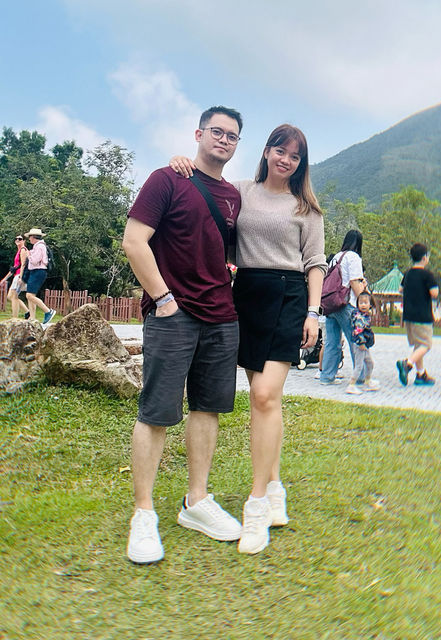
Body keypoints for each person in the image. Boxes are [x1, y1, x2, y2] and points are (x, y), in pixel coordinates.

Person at [170, 123, 326, 555]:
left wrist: (313, 312)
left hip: (289, 297)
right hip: (246, 295)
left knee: (263, 395)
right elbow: (207, 195)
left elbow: (315, 263)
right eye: (280, 150)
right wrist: (180, 164)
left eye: (295, 156)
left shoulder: (307, 207)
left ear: (300, 163)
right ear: (267, 151)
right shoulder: (240, 192)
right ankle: (275, 486)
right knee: (263, 398)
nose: (286, 160)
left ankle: (257, 506)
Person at [122, 106, 244, 564]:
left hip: (221, 316)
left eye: (233, 136)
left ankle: (196, 502)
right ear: (198, 133)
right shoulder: (166, 179)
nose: (224, 140)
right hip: (174, 315)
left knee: (207, 409)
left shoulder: (233, 195)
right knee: (156, 411)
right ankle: (144, 513)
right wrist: (164, 299)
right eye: (217, 131)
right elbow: (134, 241)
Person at [319, 230, 366, 385]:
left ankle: (326, 376)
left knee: (332, 343)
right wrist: (364, 301)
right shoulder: (354, 258)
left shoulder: (337, 257)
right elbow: (354, 282)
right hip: (345, 305)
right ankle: (361, 377)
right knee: (356, 341)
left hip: (331, 304)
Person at [396, 243, 439, 386]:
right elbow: (434, 293)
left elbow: (400, 289)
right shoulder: (427, 275)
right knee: (426, 345)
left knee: (418, 345)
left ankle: (421, 375)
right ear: (424, 258)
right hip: (423, 316)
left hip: (409, 316)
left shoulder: (408, 273)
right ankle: (407, 364)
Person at [346, 291, 379, 394]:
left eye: (365, 302)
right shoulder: (358, 316)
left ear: (370, 304)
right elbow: (358, 330)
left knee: (369, 363)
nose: (363, 305)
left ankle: (368, 381)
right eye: (361, 303)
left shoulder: (365, 315)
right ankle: (351, 385)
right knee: (359, 365)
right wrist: (361, 343)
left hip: (364, 345)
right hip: (360, 344)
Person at [24, 228, 56, 324]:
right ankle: (32, 317)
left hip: (38, 271)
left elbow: (34, 261)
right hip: (36, 271)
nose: (29, 239)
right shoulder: (38, 246)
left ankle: (48, 311)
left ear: (33, 237)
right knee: (31, 295)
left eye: (30, 237)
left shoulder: (39, 247)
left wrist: (28, 255)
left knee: (29, 295)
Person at [0, 234, 30, 318]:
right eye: (16, 239)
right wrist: (4, 279)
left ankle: (15, 317)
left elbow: (23, 264)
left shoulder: (23, 250)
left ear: (24, 241)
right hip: (17, 274)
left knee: (14, 296)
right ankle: (28, 312)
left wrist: (21, 277)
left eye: (20, 239)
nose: (17, 240)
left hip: (20, 275)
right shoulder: (19, 251)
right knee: (10, 296)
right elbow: (15, 267)